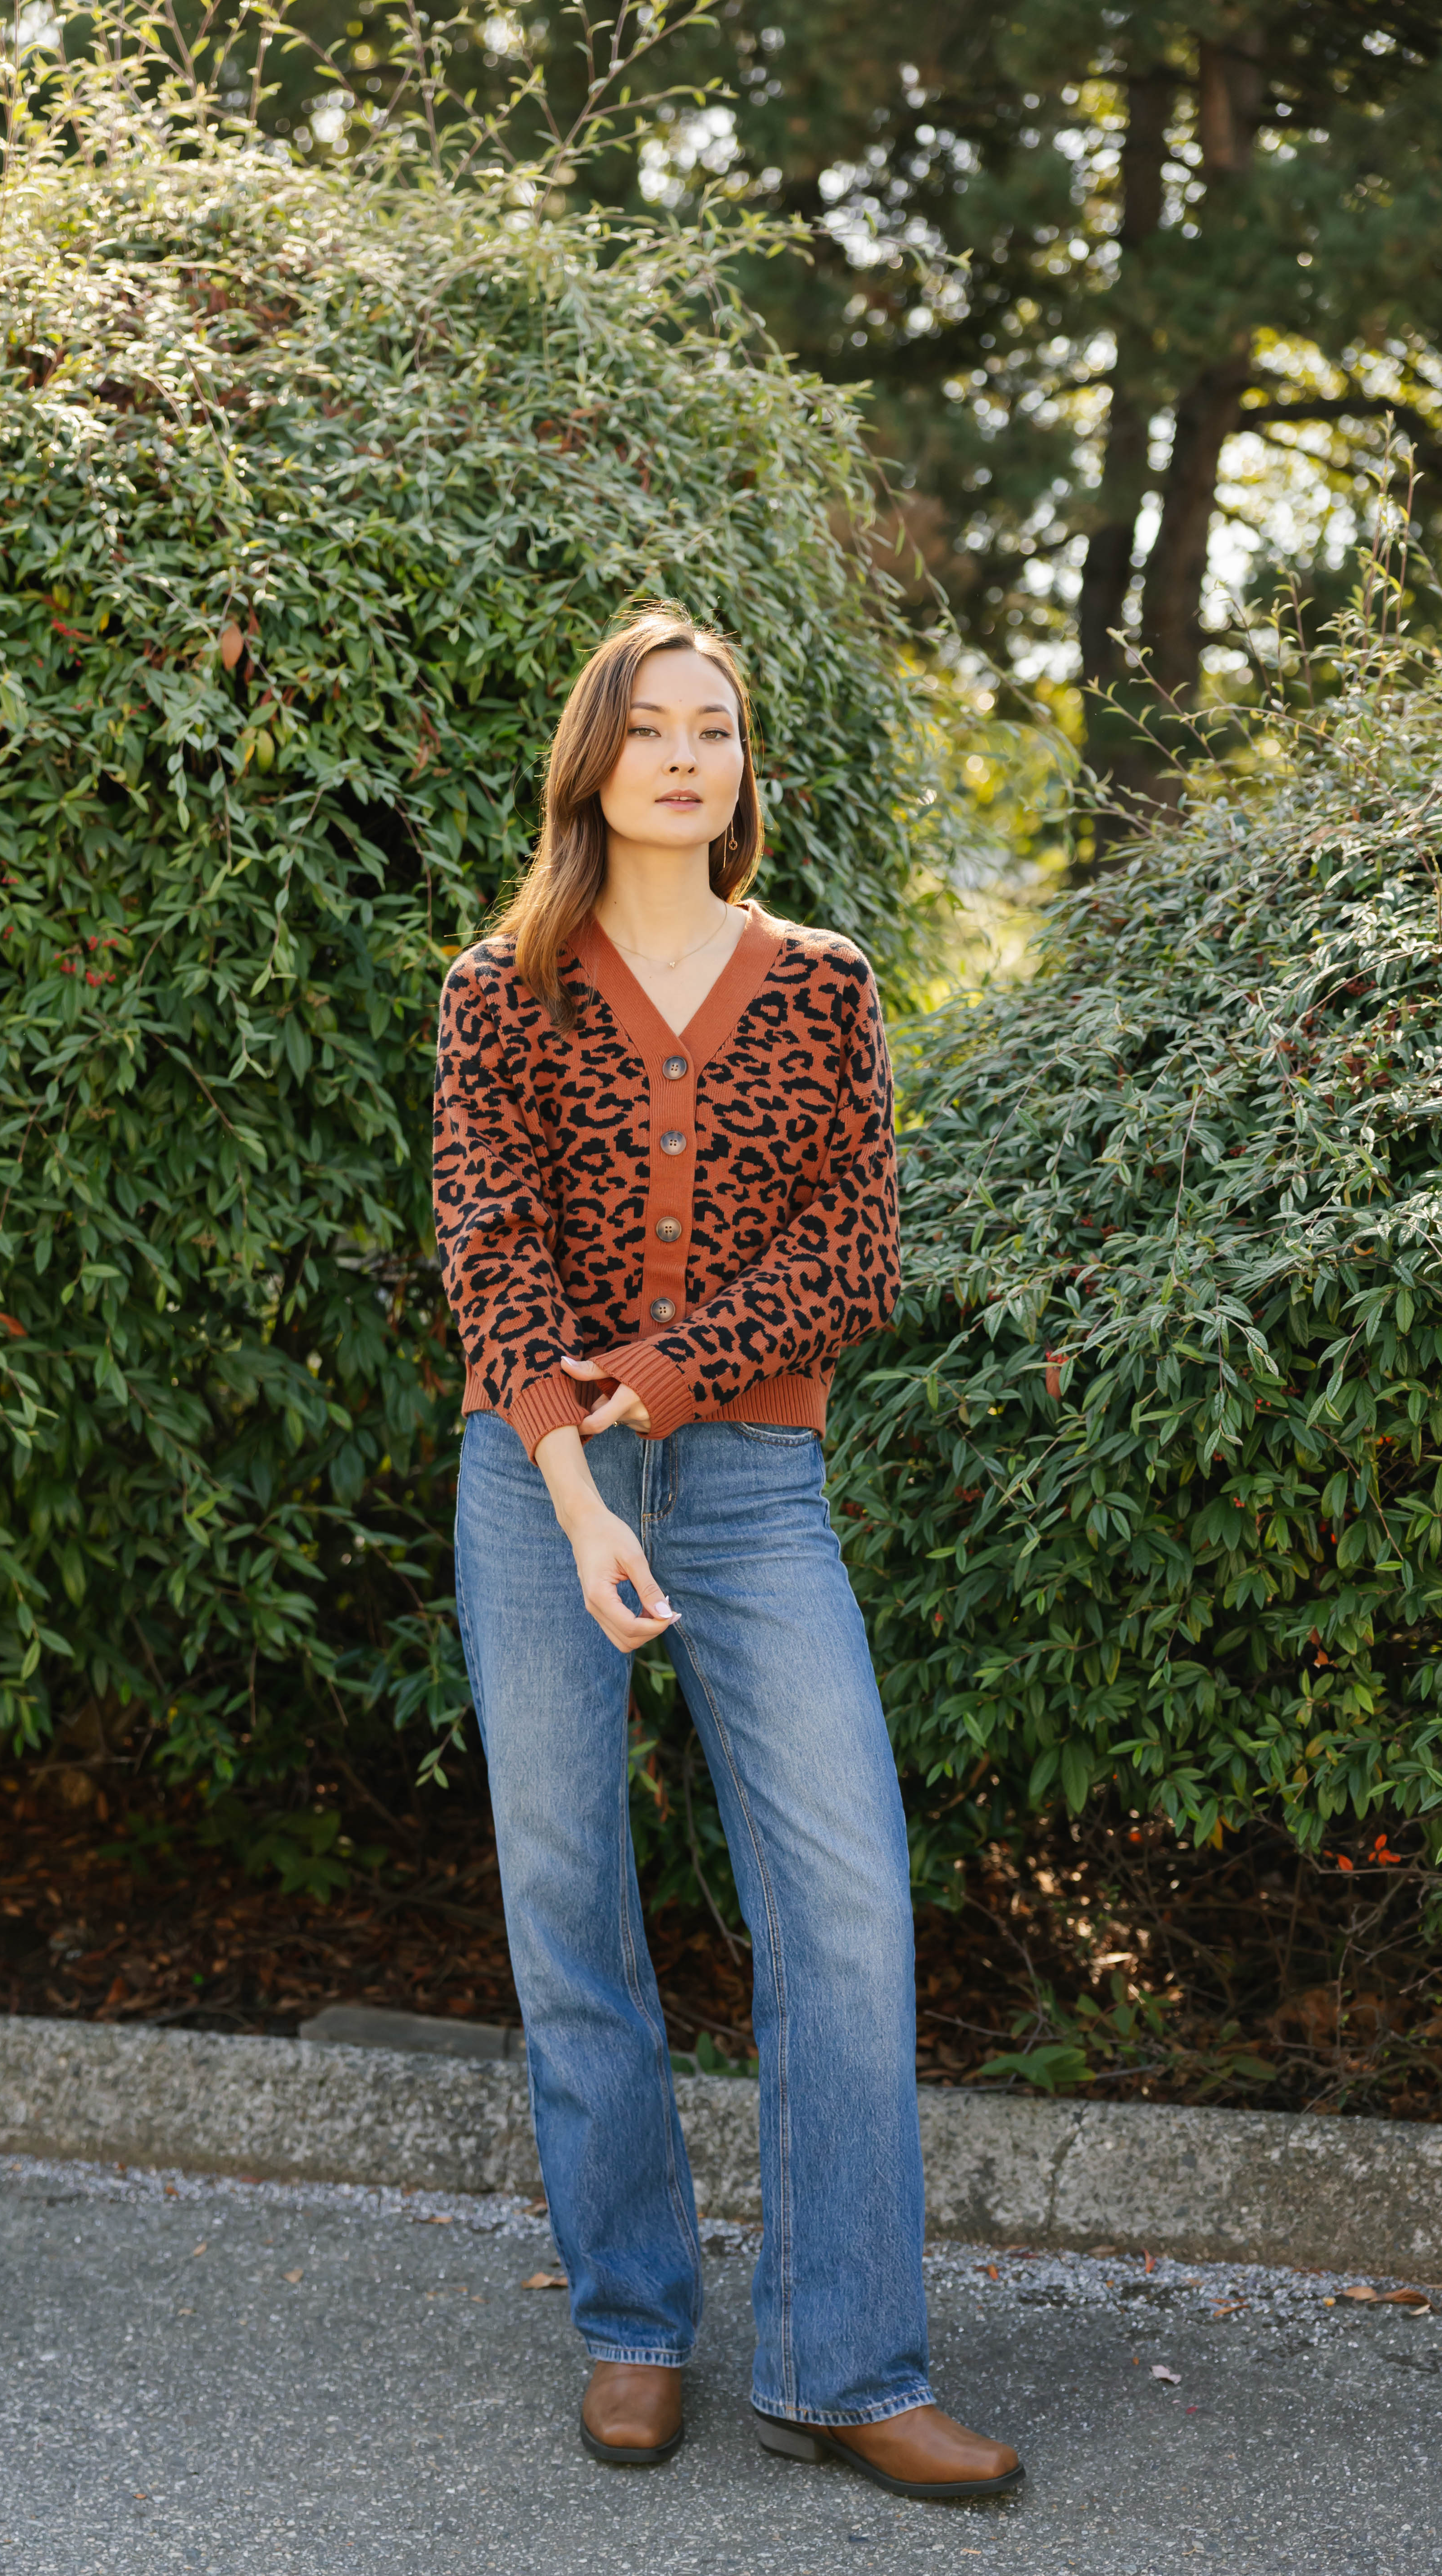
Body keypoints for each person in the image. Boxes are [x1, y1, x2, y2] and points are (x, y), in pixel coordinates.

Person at [433, 604, 1022, 2500]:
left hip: (758, 1493)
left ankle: (848, 2362)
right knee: (569, 1901)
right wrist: (584, 1485)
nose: (690, 756)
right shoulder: (497, 988)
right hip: (539, 1491)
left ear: (742, 771)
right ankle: (630, 2319)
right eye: (654, 727)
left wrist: (670, 1384)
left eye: (719, 729)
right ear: (594, 758)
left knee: (845, 1909)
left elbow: (858, 1252)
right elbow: (487, 1249)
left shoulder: (823, 985)